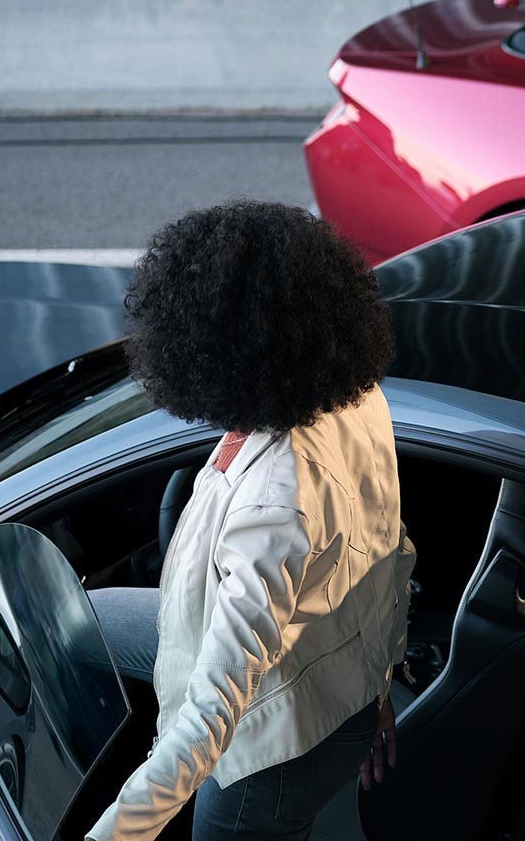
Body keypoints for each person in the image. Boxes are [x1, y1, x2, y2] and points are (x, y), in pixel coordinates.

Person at [85, 200, 415, 841]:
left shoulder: (274, 506)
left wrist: (115, 834)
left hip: (267, 759)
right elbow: (389, 551)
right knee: (76, 622)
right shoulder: (354, 393)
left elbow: (213, 713)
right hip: (335, 683)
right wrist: (377, 687)